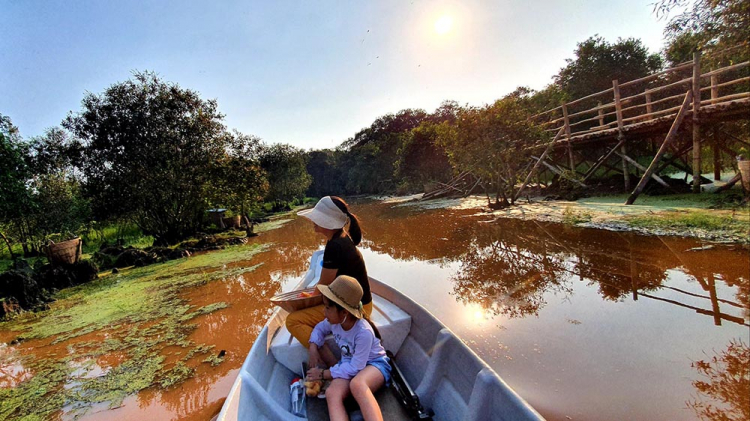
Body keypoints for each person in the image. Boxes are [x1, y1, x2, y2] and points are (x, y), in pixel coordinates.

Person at [286, 196, 372, 348]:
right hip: (363, 303)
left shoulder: (334, 246)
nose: (313, 221)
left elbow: (321, 287)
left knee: (292, 320)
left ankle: (323, 355)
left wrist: (303, 301)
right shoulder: (342, 238)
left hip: (357, 309)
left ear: (327, 221)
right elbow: (326, 286)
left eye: (317, 218)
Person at [305, 275, 390, 421]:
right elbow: (319, 329)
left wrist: (323, 374)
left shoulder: (363, 332)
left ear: (344, 312)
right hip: (350, 365)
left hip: (374, 365)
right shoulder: (335, 322)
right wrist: (313, 346)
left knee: (357, 384)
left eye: (328, 308)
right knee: (332, 393)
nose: (324, 312)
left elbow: (357, 368)